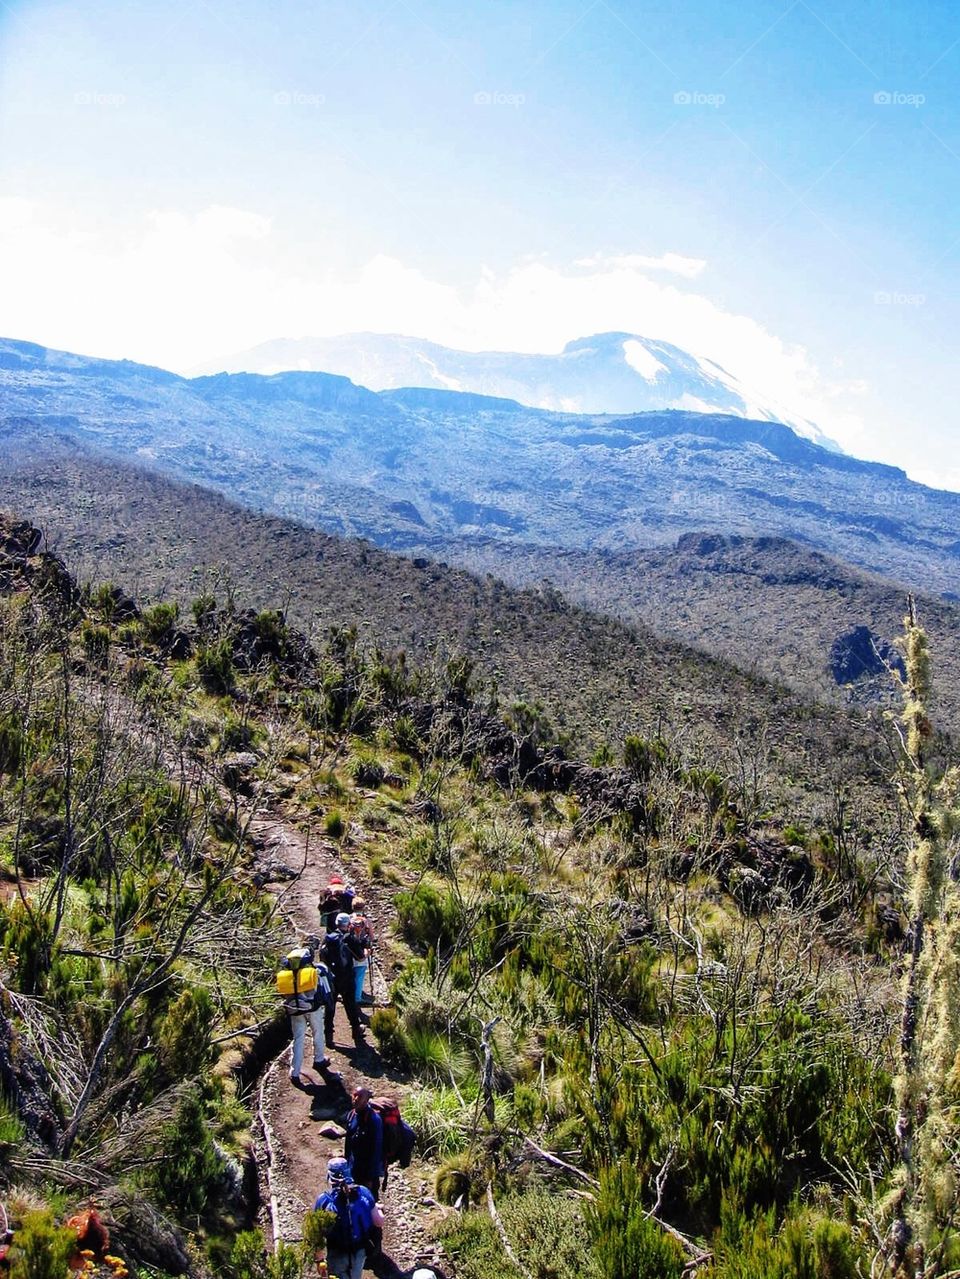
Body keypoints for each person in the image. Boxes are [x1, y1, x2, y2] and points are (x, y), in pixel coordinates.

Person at [314, 1156, 383, 1279]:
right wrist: (378, 1209)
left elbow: (315, 1234)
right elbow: (378, 1222)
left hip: (337, 1253)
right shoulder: (364, 1192)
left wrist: (319, 1260)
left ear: (329, 1176)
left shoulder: (323, 1200)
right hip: (359, 1252)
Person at [281, 944, 334, 1084]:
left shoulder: (287, 975)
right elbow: (324, 991)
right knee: (318, 1033)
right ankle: (319, 1060)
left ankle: (295, 1072)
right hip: (313, 1008)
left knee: (298, 1038)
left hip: (294, 1010)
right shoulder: (314, 972)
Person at [322, 913, 366, 1048]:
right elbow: (360, 958)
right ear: (348, 924)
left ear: (336, 923)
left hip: (331, 978)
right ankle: (356, 1031)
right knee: (350, 1004)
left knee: (330, 1007)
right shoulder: (349, 938)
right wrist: (366, 951)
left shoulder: (328, 939)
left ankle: (328, 1036)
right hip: (346, 977)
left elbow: (323, 957)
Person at [344, 1086, 383, 1198]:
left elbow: (377, 1150)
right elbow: (348, 1142)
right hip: (353, 1167)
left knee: (369, 1202)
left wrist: (370, 1177)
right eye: (354, 1095)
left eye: (360, 1096)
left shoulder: (374, 1120)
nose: (356, 1098)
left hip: (367, 1172)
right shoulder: (351, 1115)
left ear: (366, 1100)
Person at [349, 898, 375, 1006]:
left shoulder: (349, 919)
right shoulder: (366, 921)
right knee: (360, 975)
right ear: (363, 907)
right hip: (362, 951)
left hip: (350, 950)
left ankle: (349, 993)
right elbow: (372, 937)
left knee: (350, 974)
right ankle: (357, 998)